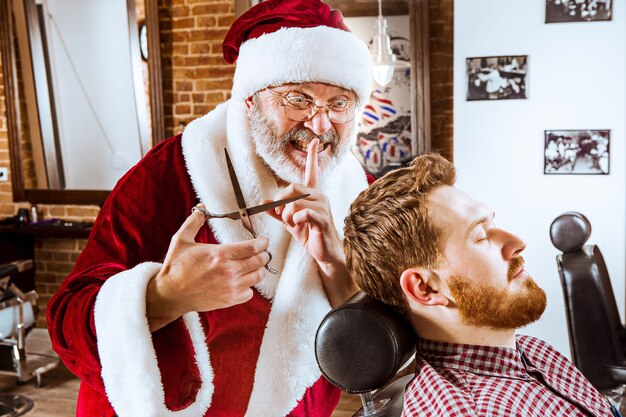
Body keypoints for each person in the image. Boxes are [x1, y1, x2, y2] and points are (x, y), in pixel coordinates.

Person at [46, 1, 374, 416]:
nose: (320, 125)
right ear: (251, 100)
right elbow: (65, 325)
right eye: (298, 98)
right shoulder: (172, 172)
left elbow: (381, 337)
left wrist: (334, 263)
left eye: (340, 103)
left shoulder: (361, 194)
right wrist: (164, 296)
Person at [343, 154, 616, 417]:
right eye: (481, 236)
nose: (517, 241)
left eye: (493, 222)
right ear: (425, 288)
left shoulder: (533, 351)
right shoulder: (468, 410)